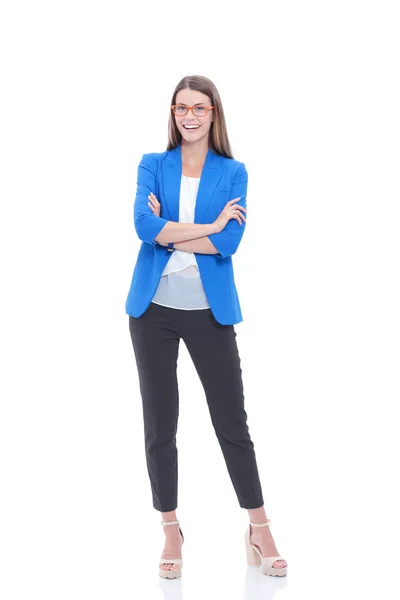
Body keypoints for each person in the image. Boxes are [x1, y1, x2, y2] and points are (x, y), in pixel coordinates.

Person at [125, 75, 287, 579]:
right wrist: (210, 227)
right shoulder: (152, 165)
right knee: (160, 424)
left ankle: (259, 528)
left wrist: (185, 234)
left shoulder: (233, 172)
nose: (189, 116)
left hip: (209, 313)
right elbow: (143, 228)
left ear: (214, 113)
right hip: (152, 310)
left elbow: (228, 246)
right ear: (172, 114)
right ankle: (170, 527)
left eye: (199, 107)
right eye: (180, 108)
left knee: (231, 424)